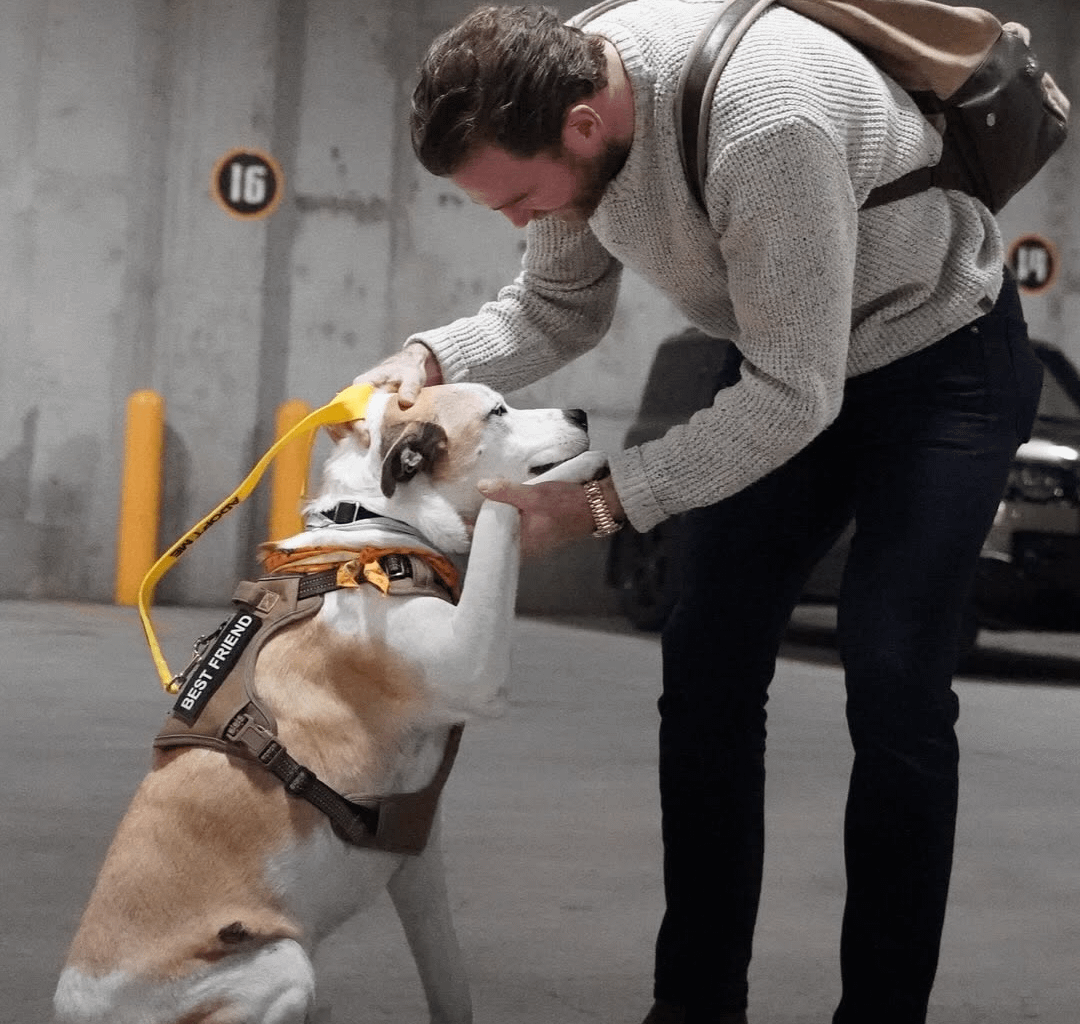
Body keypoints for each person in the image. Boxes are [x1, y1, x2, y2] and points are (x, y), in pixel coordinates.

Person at [356, 4, 1044, 1022]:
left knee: (895, 677)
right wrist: (429, 356)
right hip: (789, 354)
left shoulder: (765, 122)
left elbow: (794, 400)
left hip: (940, 362)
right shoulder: (557, 95)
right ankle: (696, 1004)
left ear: (584, 126)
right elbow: (556, 306)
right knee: (707, 661)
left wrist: (601, 503)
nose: (516, 222)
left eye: (520, 198)